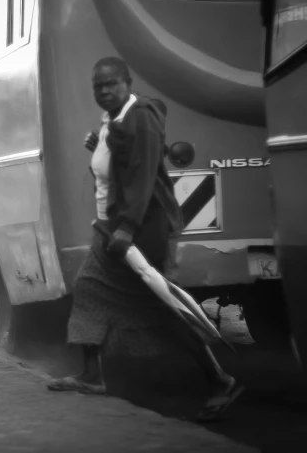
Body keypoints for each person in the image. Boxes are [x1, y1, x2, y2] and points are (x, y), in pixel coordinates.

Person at [47, 57, 244, 422]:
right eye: (98, 86)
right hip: (111, 227)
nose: (104, 91)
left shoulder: (142, 119)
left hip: (142, 231)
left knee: (163, 308)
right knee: (89, 288)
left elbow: (142, 178)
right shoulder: (115, 120)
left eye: (111, 84)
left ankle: (220, 381)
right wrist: (100, 147)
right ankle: (92, 375)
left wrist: (126, 228)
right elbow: (124, 164)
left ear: (128, 83)